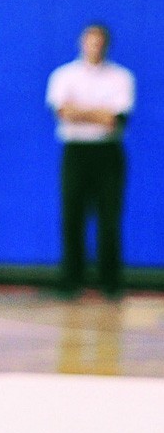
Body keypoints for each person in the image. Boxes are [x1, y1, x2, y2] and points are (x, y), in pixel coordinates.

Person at [46, 23, 135, 299]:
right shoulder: (64, 75)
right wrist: (98, 113)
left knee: (109, 218)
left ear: (106, 44)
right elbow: (63, 112)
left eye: (99, 42)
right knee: (72, 215)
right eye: (89, 41)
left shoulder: (121, 77)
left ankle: (110, 282)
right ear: (82, 43)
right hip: (76, 152)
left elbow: (115, 119)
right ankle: (72, 281)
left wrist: (80, 111)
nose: (94, 46)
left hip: (108, 154)